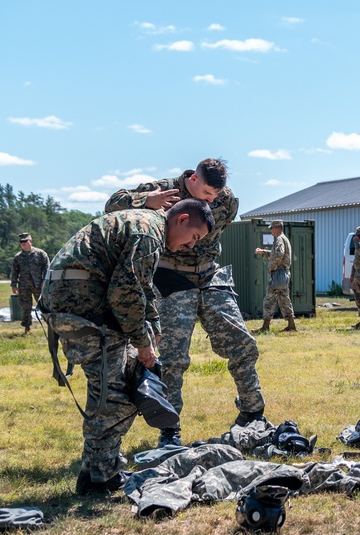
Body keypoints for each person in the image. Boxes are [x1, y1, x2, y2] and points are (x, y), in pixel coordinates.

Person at [39, 199, 214, 494]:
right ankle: (102, 477)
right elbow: (125, 291)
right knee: (118, 393)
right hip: (82, 307)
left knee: (109, 389)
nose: (190, 246)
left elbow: (142, 286)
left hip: (71, 303)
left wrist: (153, 327)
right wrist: (142, 344)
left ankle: (96, 472)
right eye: (194, 237)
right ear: (182, 219)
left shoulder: (147, 225)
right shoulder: (148, 234)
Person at [105, 158, 265, 447]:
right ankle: (170, 431)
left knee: (242, 343)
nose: (212, 199)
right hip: (172, 279)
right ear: (193, 179)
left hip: (209, 274)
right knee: (172, 359)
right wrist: (146, 200)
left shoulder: (226, 200)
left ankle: (253, 413)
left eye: (215, 196)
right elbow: (113, 204)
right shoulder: (165, 191)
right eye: (206, 194)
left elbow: (221, 223)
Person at [253, 220, 295, 333]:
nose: (270, 230)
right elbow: (276, 253)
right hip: (283, 274)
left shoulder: (279, 239)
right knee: (284, 299)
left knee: (269, 300)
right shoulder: (283, 238)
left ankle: (265, 326)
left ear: (276, 228)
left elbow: (279, 254)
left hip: (278, 274)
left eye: (271, 228)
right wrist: (264, 252)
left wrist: (272, 267)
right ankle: (291, 325)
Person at [9, 233, 49, 334]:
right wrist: (14, 285)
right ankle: (27, 328)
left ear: (30, 241)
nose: (23, 243)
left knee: (45, 306)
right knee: (25, 307)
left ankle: (51, 325)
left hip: (38, 285)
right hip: (24, 286)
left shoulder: (40, 254)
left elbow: (47, 268)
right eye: (21, 242)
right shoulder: (18, 257)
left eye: (25, 241)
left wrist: (44, 282)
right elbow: (14, 272)